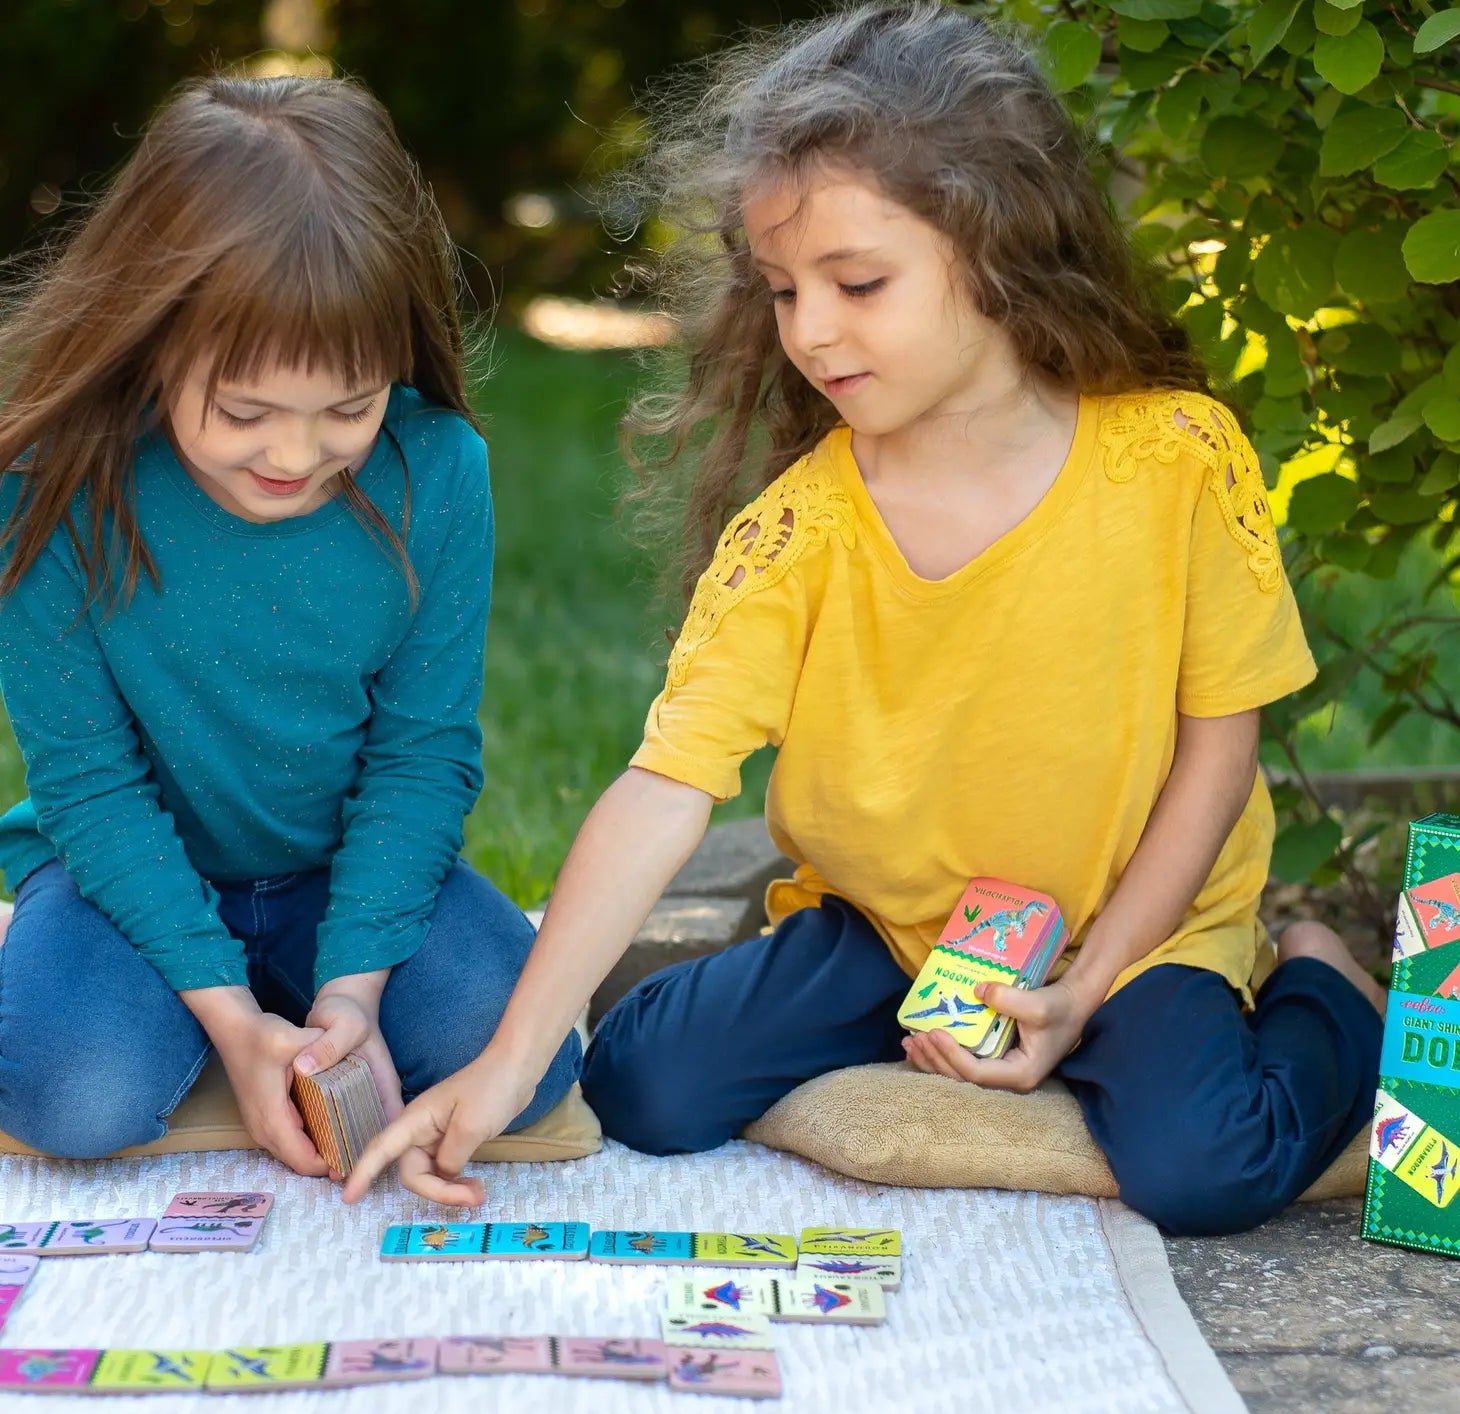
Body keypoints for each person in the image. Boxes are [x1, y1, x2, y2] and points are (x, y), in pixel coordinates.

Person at [344, 4, 1382, 1235]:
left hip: (1138, 930)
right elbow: (666, 785)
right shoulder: (800, 532)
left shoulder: (1172, 460)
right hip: (887, 929)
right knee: (640, 1081)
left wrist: (1088, 981)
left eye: (857, 282)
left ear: (997, 245)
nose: (809, 330)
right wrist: (514, 1061)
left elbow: (1220, 747)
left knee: (1201, 1169)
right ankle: (943, 1032)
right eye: (782, 289)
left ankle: (1320, 975)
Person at [0, 74, 581, 1180]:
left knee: (524, 1058)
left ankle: (274, 1005)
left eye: (347, 410)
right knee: (74, 1093)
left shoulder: (439, 473)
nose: (293, 456)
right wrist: (228, 1012)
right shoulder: (53, 488)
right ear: (155, 338)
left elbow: (421, 755)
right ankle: (189, 1000)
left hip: (340, 871)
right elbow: (89, 785)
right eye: (244, 410)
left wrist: (353, 983)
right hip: (122, 871)